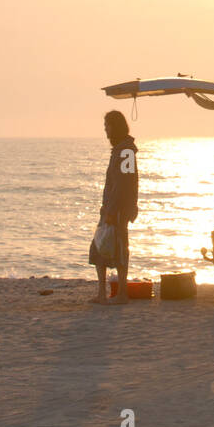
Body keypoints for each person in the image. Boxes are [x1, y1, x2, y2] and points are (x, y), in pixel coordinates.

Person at [90, 110, 138, 304]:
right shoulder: (121, 150)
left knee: (115, 249)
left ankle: (121, 293)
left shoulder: (126, 151)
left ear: (115, 127)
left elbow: (124, 183)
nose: (106, 130)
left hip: (117, 210)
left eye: (107, 126)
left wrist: (112, 210)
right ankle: (104, 293)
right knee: (102, 247)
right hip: (112, 207)